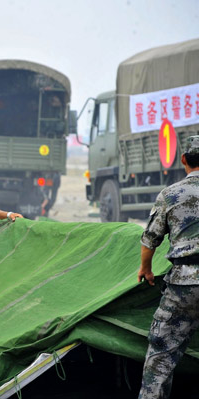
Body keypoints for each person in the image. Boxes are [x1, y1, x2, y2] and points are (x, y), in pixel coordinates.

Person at [137, 136, 199, 399]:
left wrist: (146, 270)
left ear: (183, 160)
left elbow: (150, 240)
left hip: (183, 284)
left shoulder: (170, 194)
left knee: (161, 354)